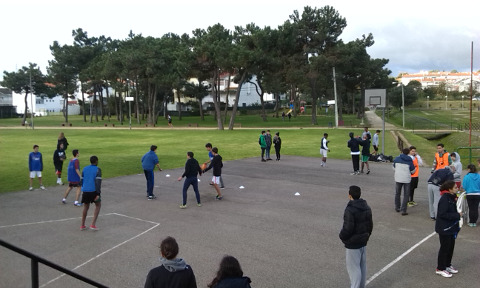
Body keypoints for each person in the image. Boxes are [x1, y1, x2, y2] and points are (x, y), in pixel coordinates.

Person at [339, 185, 373, 288]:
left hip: (353, 243)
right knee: (362, 266)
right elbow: (370, 225)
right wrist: (367, 236)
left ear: (350, 195)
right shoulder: (366, 207)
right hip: (363, 241)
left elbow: (348, 228)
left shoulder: (350, 209)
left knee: (353, 269)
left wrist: (342, 236)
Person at [435, 180, 460, 278]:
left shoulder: (452, 197)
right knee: (444, 248)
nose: (457, 188)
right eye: (455, 187)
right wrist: (457, 215)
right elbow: (442, 214)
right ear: (449, 189)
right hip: (444, 228)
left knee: (450, 247)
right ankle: (440, 268)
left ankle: (447, 265)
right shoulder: (445, 199)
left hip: (451, 228)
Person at [80, 156, 102, 231]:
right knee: (98, 205)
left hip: (85, 190)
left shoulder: (84, 169)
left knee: (86, 207)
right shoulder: (98, 170)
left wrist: (83, 188)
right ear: (96, 161)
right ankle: (93, 224)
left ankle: (82, 225)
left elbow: (82, 180)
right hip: (93, 191)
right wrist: (98, 194)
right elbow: (98, 182)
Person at [393, 148, 416, 216]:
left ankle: (397, 207)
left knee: (397, 193)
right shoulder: (409, 160)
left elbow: (393, 167)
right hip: (406, 179)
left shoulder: (397, 159)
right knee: (406, 194)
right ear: (408, 152)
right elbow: (413, 171)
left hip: (398, 178)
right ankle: (403, 209)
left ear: (402, 151)